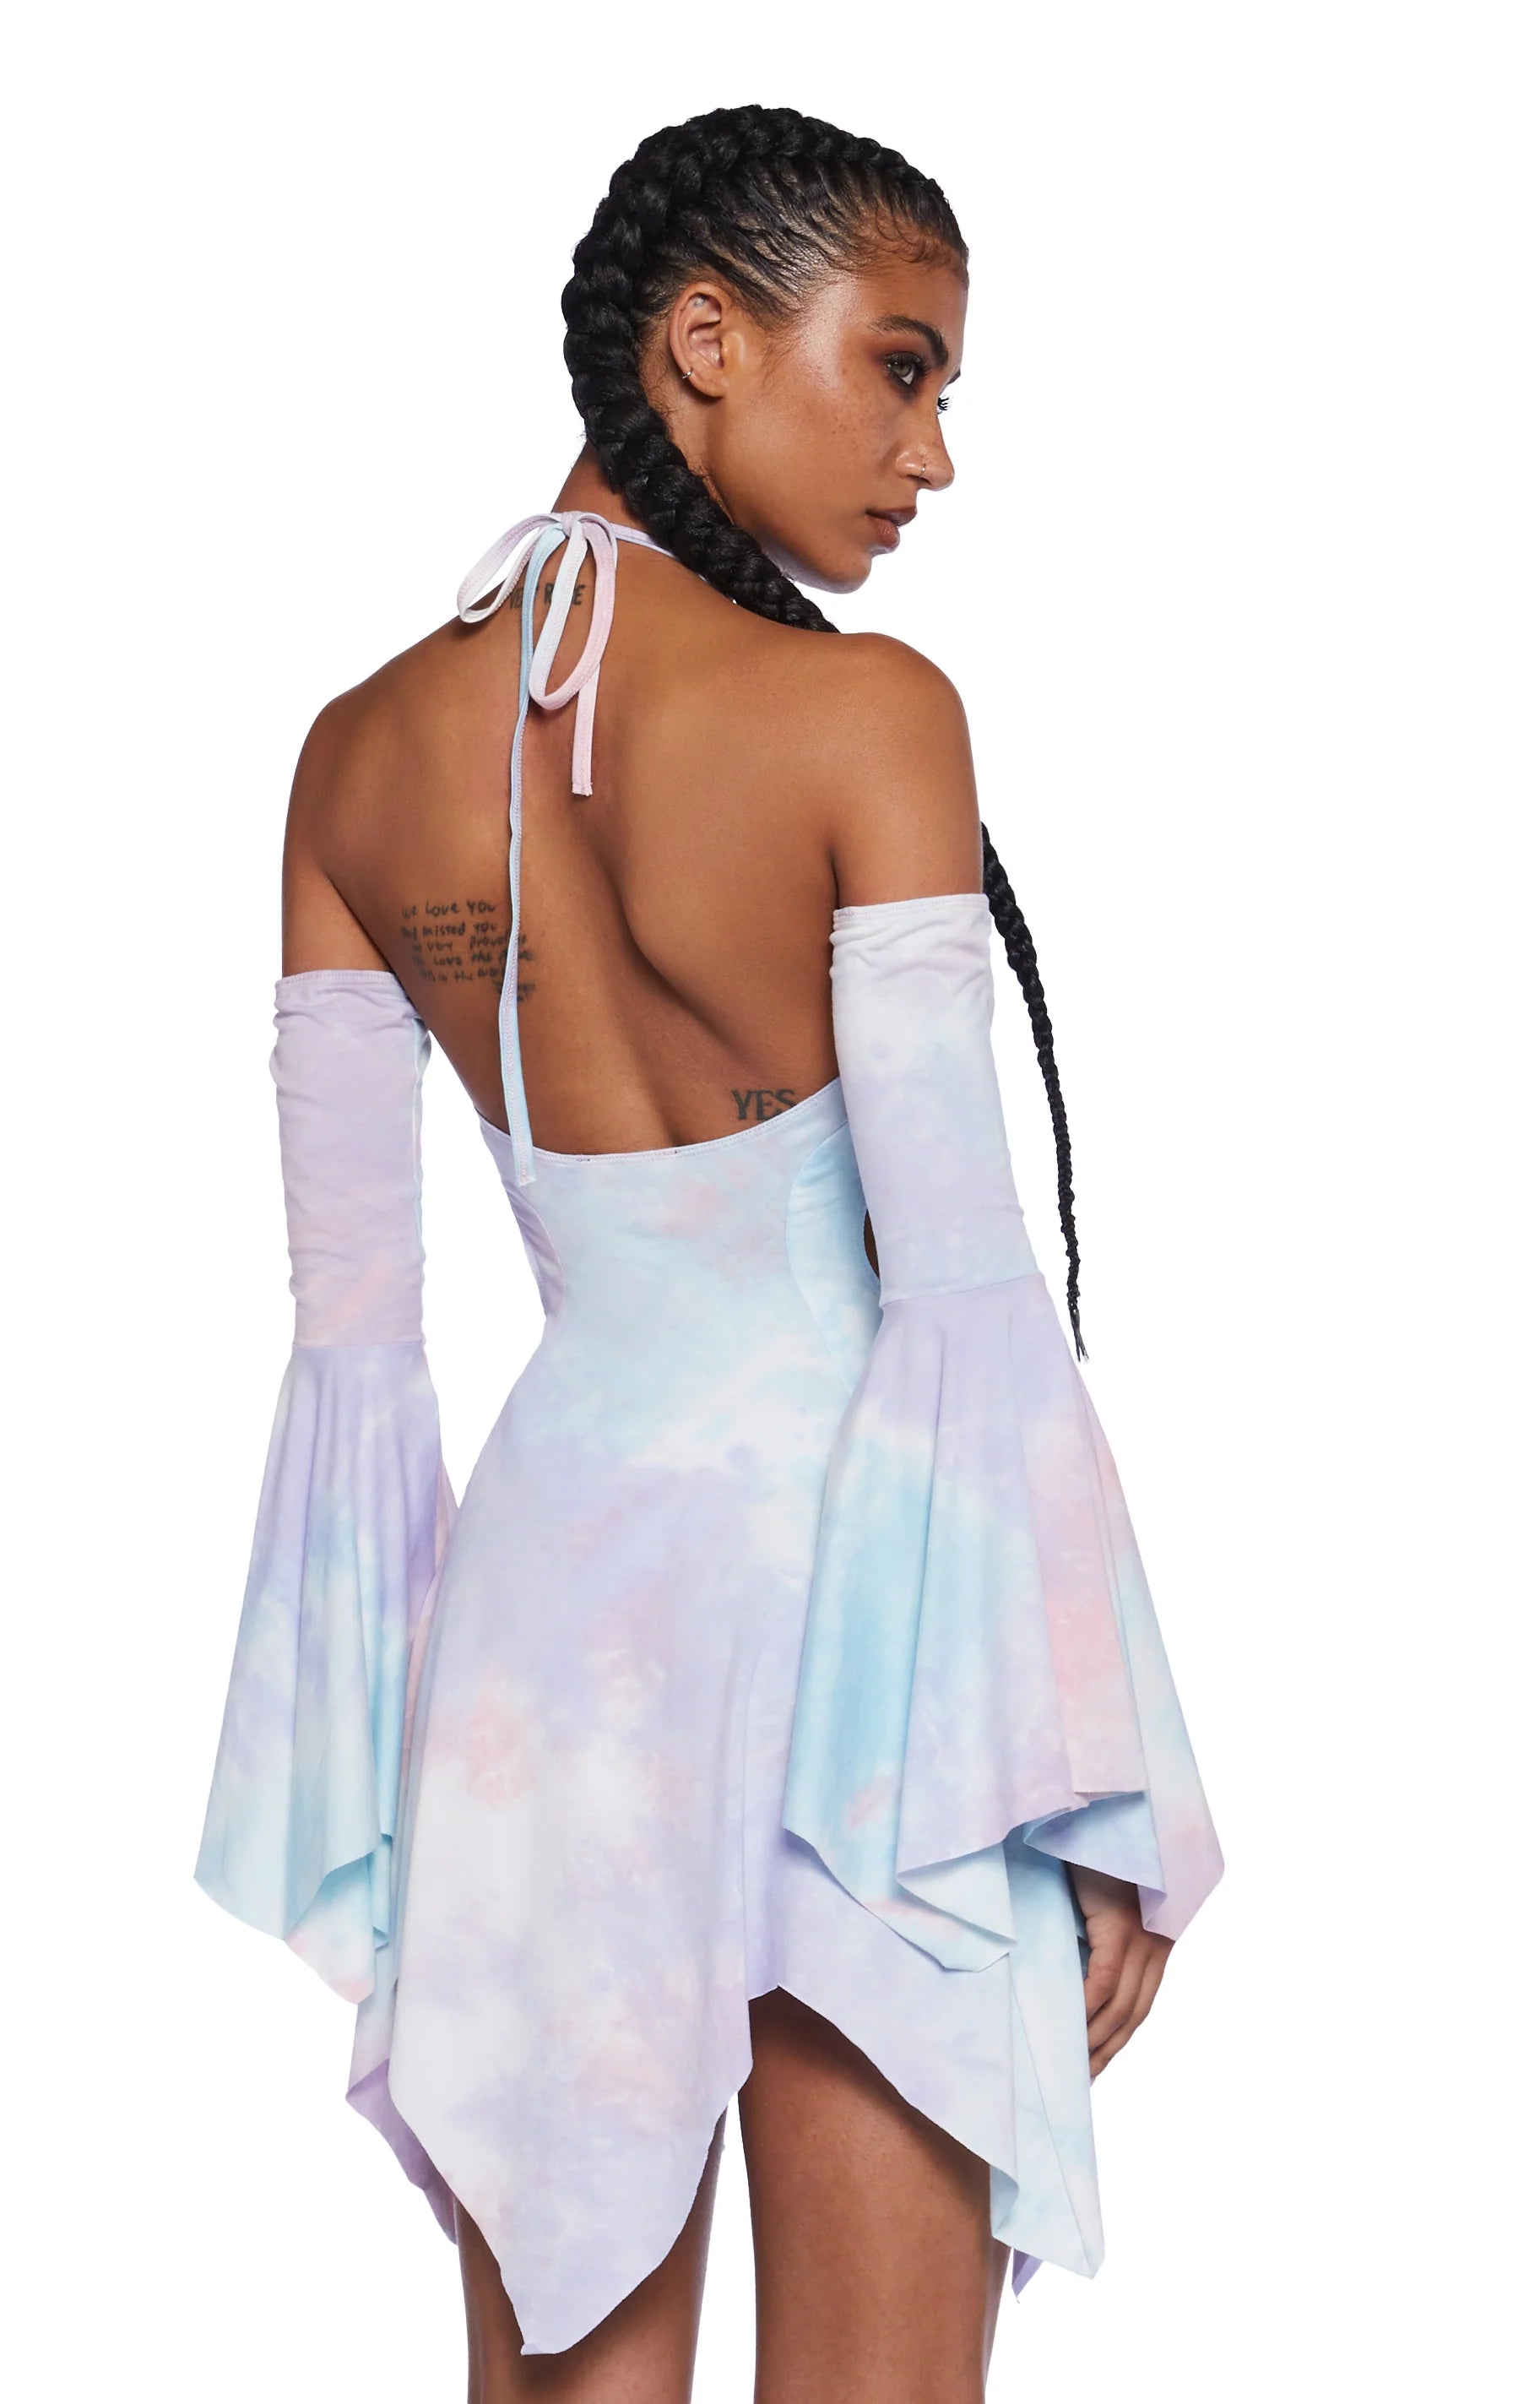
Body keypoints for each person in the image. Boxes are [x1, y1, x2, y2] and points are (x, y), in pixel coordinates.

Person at [195, 103, 1223, 2403]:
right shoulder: (868, 713)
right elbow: (964, 1289)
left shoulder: (352, 760)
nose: (934, 454)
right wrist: (1088, 1755)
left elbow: (355, 1351)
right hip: (879, 1616)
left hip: (554, 1635)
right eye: (904, 367)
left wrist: (397, 1775)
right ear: (707, 337)